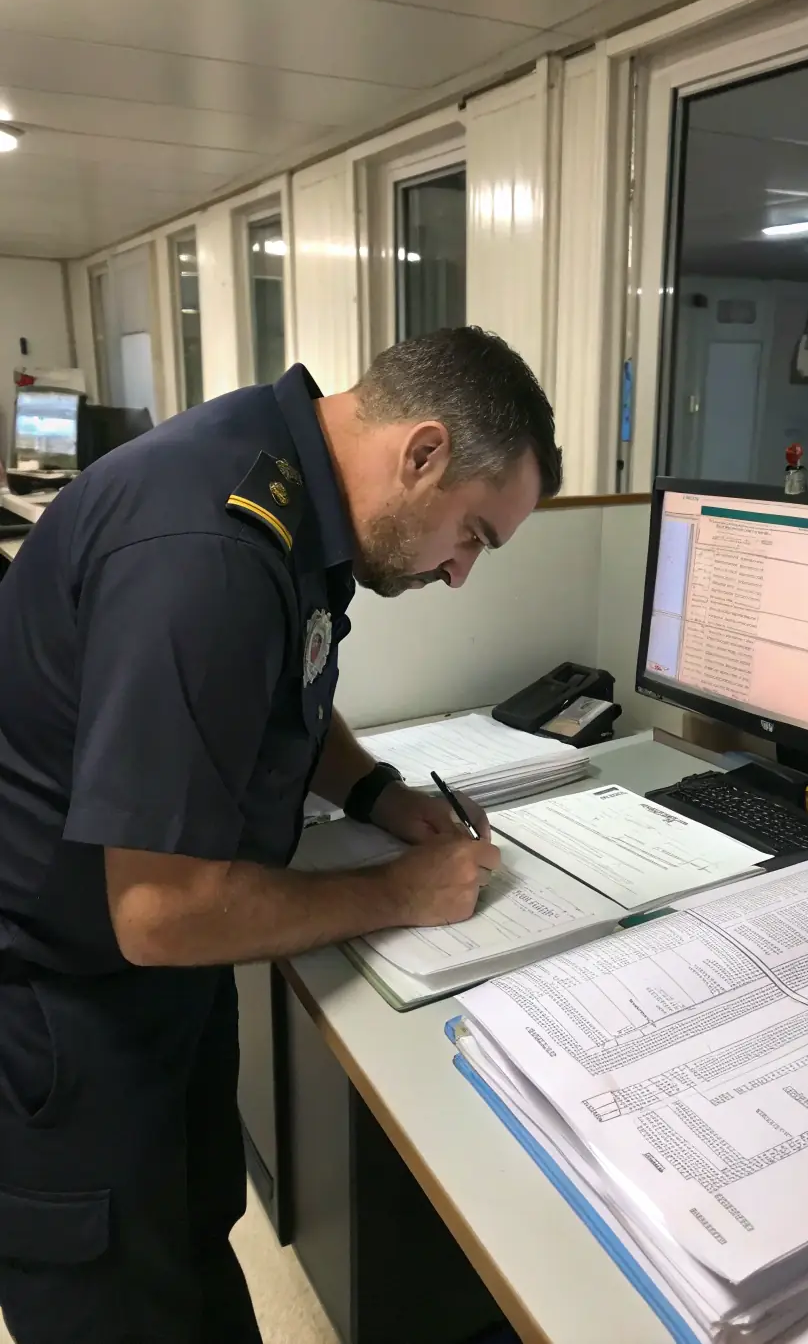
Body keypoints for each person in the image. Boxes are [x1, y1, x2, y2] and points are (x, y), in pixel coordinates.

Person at [0, 326, 562, 1342]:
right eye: (475, 532)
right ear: (423, 452)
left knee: (192, 1240)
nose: (462, 572)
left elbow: (282, 689)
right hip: (61, 1009)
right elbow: (160, 915)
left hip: (154, 994)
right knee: (122, 1301)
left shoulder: (286, 482)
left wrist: (377, 793)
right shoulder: (208, 551)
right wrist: (399, 893)